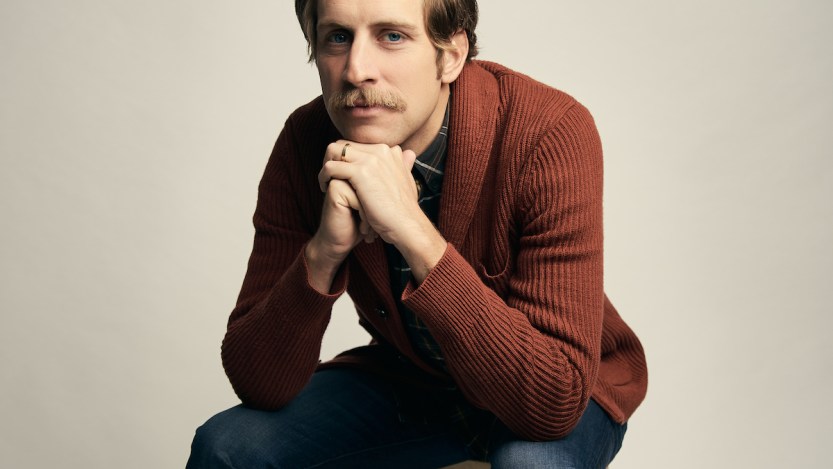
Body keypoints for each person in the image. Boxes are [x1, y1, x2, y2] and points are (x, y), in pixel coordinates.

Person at [187, 0, 648, 467]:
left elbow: (552, 401)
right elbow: (259, 384)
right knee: (227, 448)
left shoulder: (548, 131)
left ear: (451, 56)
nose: (356, 70)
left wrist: (411, 228)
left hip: (552, 382)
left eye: (392, 36)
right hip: (416, 376)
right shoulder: (305, 142)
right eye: (338, 37)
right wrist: (324, 252)